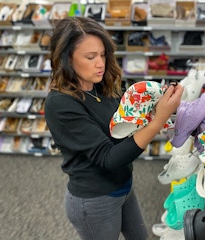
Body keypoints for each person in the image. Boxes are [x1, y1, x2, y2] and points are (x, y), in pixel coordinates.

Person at [44, 16, 183, 240]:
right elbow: (109, 158)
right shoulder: (60, 104)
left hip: (123, 186)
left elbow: (126, 127)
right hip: (94, 199)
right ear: (66, 59)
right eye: (90, 57)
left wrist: (155, 102)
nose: (100, 63)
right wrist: (158, 121)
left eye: (102, 55)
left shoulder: (102, 85)